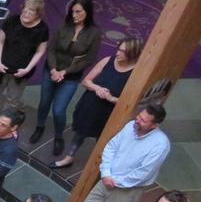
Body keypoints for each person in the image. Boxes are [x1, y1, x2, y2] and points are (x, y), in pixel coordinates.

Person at [79, 104, 172, 202]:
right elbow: (111, 147)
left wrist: (115, 180)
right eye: (139, 116)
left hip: (128, 188)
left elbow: (143, 173)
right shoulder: (130, 126)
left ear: (154, 125)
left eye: (143, 120)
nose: (137, 120)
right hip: (107, 178)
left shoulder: (160, 145)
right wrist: (106, 173)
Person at [53, 38, 144, 169]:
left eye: (123, 51)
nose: (118, 53)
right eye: (118, 49)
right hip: (91, 105)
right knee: (80, 133)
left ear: (132, 53)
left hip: (110, 112)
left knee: (103, 141)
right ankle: (69, 158)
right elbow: (86, 81)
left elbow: (132, 102)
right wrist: (98, 88)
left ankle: (99, 166)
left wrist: (111, 98)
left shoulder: (135, 72)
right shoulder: (108, 60)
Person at [30, 0, 104, 154]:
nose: (74, 15)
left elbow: (89, 59)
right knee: (44, 102)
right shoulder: (63, 26)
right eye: (72, 12)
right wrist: (54, 70)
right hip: (51, 69)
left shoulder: (94, 33)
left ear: (87, 12)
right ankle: (39, 126)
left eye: (78, 12)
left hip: (71, 76)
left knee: (59, 109)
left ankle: (58, 136)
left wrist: (65, 72)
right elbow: (51, 49)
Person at [0, 0, 49, 109]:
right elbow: (0, 41)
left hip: (21, 71)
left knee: (12, 100)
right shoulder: (12, 20)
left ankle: (5, 123)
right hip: (2, 65)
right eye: (25, 9)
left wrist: (27, 69)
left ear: (38, 14)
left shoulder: (42, 29)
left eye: (31, 11)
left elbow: (40, 51)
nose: (26, 13)